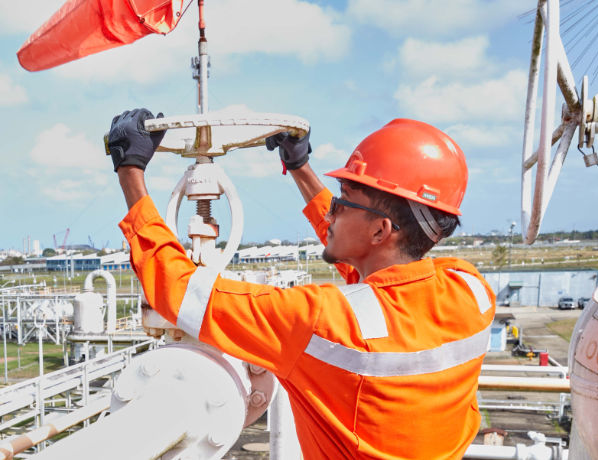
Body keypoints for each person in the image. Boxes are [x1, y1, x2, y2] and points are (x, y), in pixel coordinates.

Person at [107, 109, 495, 459]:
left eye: (345, 201)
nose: (333, 210)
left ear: (381, 231)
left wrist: (131, 170)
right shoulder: (471, 291)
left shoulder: (316, 321)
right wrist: (300, 167)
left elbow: (179, 291)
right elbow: (381, 279)